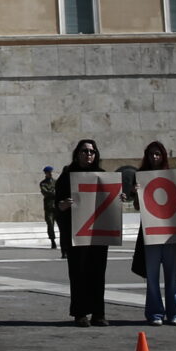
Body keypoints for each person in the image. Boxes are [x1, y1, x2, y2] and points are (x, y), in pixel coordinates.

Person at [131, 141, 176, 326]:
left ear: (163, 156)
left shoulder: (173, 177)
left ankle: (175, 313)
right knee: (152, 276)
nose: (154, 157)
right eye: (151, 154)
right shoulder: (140, 178)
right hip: (151, 233)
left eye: (158, 154)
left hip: (170, 233)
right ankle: (155, 313)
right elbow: (138, 207)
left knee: (172, 275)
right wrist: (137, 194)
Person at [56, 140, 109, 327]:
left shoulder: (103, 176)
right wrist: (64, 205)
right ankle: (80, 313)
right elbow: (58, 205)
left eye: (92, 151)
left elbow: (109, 202)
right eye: (85, 151)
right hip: (77, 233)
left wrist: (118, 198)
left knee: (98, 273)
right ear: (77, 153)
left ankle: (98, 313)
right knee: (79, 273)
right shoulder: (67, 176)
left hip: (98, 233)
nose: (88, 154)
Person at [39, 166, 59, 250]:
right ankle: (52, 241)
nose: (50, 174)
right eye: (49, 172)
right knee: (50, 225)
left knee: (61, 225)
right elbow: (46, 192)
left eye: (51, 172)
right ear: (46, 173)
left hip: (57, 207)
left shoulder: (56, 182)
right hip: (49, 208)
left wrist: (54, 192)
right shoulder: (43, 183)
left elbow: (60, 191)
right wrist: (54, 192)